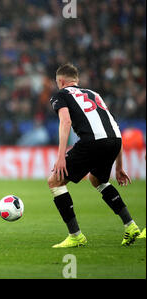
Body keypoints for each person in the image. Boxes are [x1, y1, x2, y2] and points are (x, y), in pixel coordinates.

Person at [48, 63, 143, 248]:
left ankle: (75, 235)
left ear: (60, 81)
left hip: (92, 142)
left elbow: (65, 121)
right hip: (114, 140)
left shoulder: (60, 95)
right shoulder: (94, 94)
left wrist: (61, 157)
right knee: (97, 180)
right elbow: (113, 127)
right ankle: (131, 225)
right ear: (77, 80)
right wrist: (119, 166)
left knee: (55, 181)